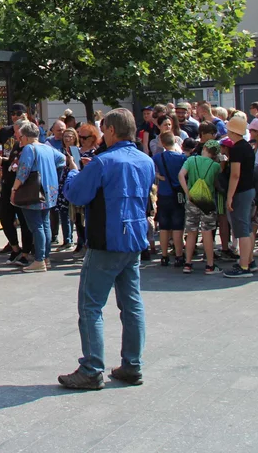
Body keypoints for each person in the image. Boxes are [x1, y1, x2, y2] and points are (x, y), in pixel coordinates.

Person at [58, 109, 154, 390]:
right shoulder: (145, 160)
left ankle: (91, 369)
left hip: (107, 239)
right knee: (132, 304)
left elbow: (75, 194)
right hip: (134, 237)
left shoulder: (103, 162)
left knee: (91, 305)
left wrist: (76, 172)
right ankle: (132, 364)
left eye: (103, 130)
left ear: (111, 130)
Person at [11, 120, 65, 272]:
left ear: (26, 136)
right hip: (50, 191)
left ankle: (39, 260)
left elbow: (23, 171)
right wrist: (53, 173)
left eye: (20, 136)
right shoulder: (47, 148)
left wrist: (14, 190)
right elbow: (62, 159)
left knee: (37, 226)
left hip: (34, 193)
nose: (19, 139)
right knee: (45, 224)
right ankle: (45, 258)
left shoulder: (29, 148)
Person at [0, 110, 33, 264]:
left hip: (22, 187)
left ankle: (26, 253)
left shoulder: (30, 148)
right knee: (5, 218)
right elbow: (9, 162)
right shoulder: (17, 145)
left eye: (18, 134)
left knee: (25, 221)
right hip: (8, 184)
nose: (16, 137)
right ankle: (15, 249)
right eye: (15, 134)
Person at [178, 139, 222, 274]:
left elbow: (181, 175)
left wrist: (187, 192)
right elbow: (217, 183)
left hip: (192, 199)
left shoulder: (191, 160)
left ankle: (188, 263)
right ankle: (210, 265)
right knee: (207, 232)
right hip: (207, 200)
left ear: (204, 149)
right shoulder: (215, 166)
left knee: (191, 231)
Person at [222, 116, 256, 278]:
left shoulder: (237, 149)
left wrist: (229, 197)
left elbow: (235, 175)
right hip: (249, 189)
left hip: (240, 192)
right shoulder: (247, 147)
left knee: (241, 229)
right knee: (247, 227)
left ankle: (243, 267)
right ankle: (249, 261)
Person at [153, 132, 187, 267]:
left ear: (162, 142)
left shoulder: (157, 157)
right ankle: (179, 255)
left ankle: (164, 256)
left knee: (164, 227)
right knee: (178, 227)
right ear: (175, 141)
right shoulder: (182, 158)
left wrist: (160, 177)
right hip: (177, 195)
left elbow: (151, 171)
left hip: (163, 194)